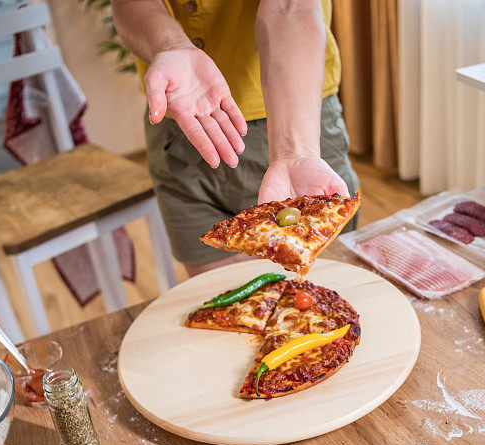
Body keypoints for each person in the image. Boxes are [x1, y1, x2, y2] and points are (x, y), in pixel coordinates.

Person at [112, 0, 360, 276]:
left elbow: (290, 7)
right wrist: (170, 45)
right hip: (183, 113)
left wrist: (296, 153)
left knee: (327, 292)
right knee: (221, 298)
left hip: (297, 114)